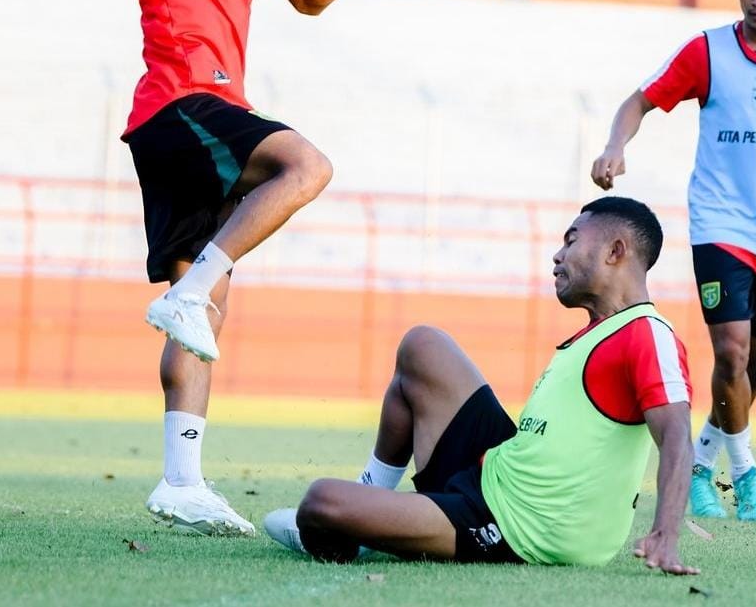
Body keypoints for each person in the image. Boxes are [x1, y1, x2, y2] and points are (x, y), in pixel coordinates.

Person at [98, 0, 402, 536]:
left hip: (198, 123)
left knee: (198, 313)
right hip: (177, 107)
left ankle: (180, 479)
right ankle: (196, 288)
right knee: (307, 163)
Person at [264, 197, 698, 574]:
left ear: (615, 251)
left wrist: (665, 532)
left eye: (571, 240)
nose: (557, 255)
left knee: (322, 502)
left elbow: (676, 432)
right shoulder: (598, 331)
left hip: (514, 523)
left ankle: (361, 522)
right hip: (496, 475)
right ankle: (374, 502)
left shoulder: (646, 333)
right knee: (423, 345)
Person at [591, 0, 756, 523]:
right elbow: (637, 102)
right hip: (720, 225)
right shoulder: (707, 52)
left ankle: (699, 463)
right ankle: (747, 477)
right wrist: (615, 145)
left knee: (754, 364)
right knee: (732, 353)